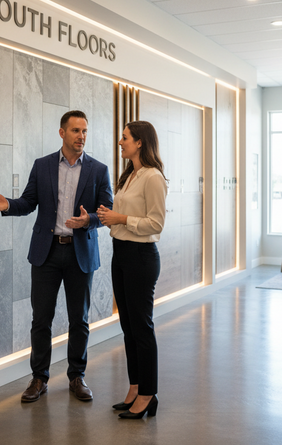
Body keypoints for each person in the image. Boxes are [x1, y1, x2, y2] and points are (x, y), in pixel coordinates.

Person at [0, 110, 113, 403]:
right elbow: (28, 203)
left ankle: (77, 377)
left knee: (79, 319)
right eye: (76, 130)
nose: (81, 136)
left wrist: (88, 220)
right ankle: (39, 378)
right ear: (62, 132)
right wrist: (7, 205)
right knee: (41, 319)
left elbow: (106, 211)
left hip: (80, 252)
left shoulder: (98, 169)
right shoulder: (42, 166)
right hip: (47, 252)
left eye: (85, 131)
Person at [97, 120, 167, 419]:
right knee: (128, 327)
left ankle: (149, 393)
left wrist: (121, 218)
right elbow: (122, 215)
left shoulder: (153, 177)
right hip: (121, 253)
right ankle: (135, 386)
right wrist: (106, 217)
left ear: (140, 142)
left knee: (142, 328)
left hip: (141, 257)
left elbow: (156, 224)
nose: (121, 142)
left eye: (124, 138)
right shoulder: (129, 175)